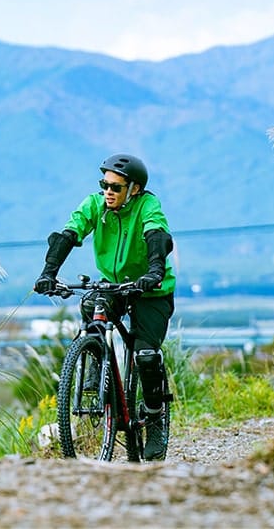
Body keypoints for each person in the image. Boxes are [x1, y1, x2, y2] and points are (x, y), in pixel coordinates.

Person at [34, 153, 176, 460]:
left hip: (151, 289)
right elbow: (69, 233)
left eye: (116, 187)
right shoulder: (95, 205)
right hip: (115, 284)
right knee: (92, 304)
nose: (108, 192)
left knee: (146, 355)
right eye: (105, 185)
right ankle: (96, 360)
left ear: (134, 189)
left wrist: (154, 271)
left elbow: (156, 235)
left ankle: (154, 418)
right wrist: (48, 273)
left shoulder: (148, 206)